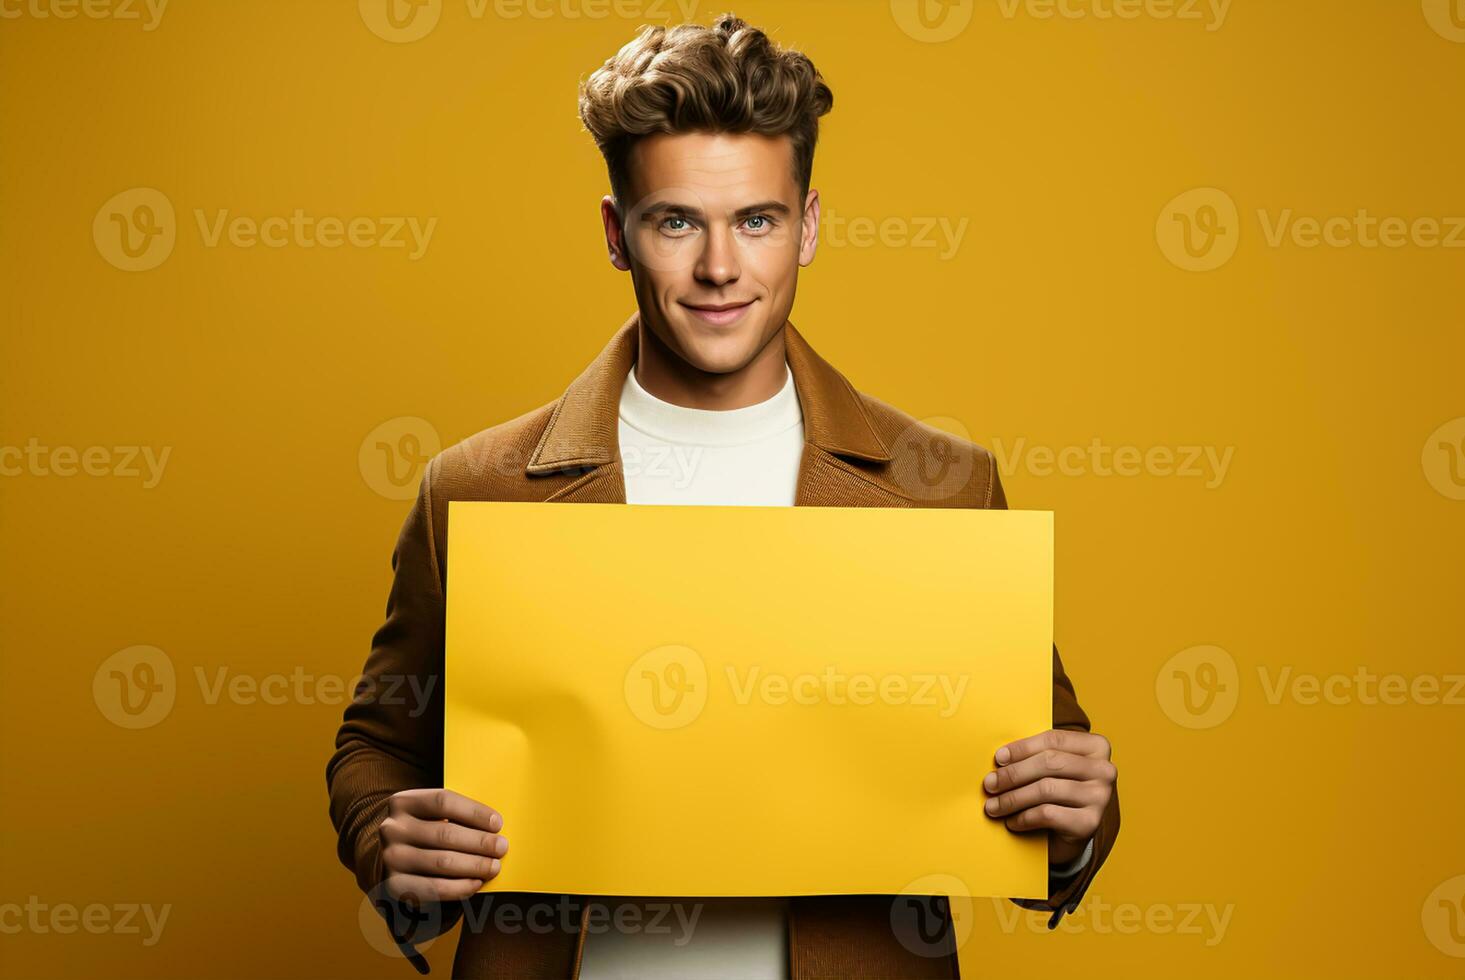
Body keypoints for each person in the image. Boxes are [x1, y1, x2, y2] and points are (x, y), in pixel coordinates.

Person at [327, 13, 1120, 978]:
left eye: (756, 220)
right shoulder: (475, 488)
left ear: (809, 226)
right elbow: (379, 742)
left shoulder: (941, 489)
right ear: (619, 236)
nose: (719, 267)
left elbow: (1053, 763)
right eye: (676, 222)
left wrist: (1075, 819)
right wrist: (388, 840)